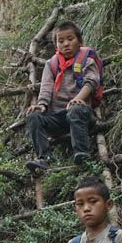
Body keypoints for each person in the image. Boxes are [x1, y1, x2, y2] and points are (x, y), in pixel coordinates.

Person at [25, 20, 100, 171]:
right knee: (34, 116)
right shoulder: (52, 64)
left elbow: (91, 82)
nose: (66, 44)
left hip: (81, 113)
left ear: (80, 41)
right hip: (57, 117)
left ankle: (81, 152)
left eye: (70, 39)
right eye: (61, 41)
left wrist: (79, 98)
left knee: (75, 109)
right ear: (56, 46)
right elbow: (46, 87)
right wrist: (42, 104)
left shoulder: (87, 61)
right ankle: (44, 158)